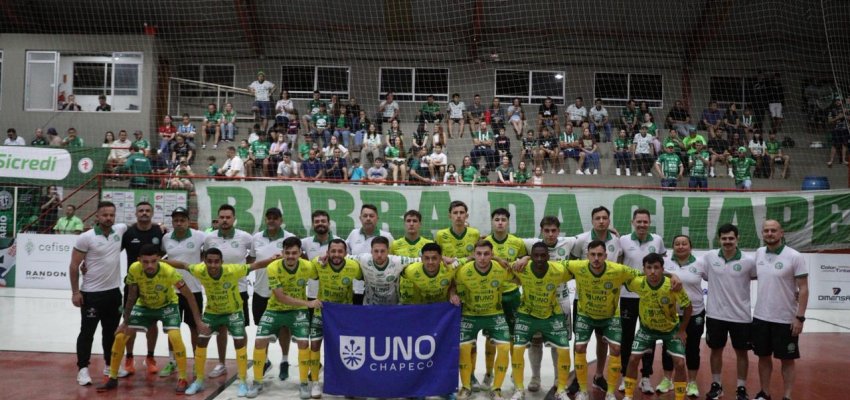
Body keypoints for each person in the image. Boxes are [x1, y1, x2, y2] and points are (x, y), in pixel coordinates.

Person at [96, 244, 207, 393]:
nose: (150, 265)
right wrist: (125, 321)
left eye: (154, 261)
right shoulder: (134, 269)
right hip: (144, 305)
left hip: (168, 305)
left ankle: (182, 378)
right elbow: (131, 296)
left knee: (175, 336)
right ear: (139, 260)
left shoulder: (168, 271)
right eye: (145, 262)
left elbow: (189, 295)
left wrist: (198, 321)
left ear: (159, 260)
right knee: (120, 336)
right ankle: (112, 378)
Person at [563, 240, 642, 400]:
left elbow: (645, 274)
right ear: (587, 256)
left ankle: (611, 393)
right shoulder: (578, 266)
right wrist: (525, 260)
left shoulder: (618, 270)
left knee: (615, 350)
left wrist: (671, 275)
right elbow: (551, 264)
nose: (596, 258)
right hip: (585, 315)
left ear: (606, 256)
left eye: (600, 255)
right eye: (593, 254)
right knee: (579, 348)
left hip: (610, 316)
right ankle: (583, 390)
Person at [248, 237, 322, 398]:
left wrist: (322, 260)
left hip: (297, 311)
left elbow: (321, 273)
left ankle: (303, 384)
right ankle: (257, 382)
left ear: (300, 253)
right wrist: (308, 303)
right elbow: (280, 296)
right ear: (282, 253)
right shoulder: (273, 267)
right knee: (259, 341)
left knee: (303, 343)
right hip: (275, 309)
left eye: (294, 253)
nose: (290, 256)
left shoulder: (308, 266)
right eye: (287, 253)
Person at [68, 201, 128, 386]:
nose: (108, 218)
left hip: (113, 294)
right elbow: (73, 266)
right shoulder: (85, 238)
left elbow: (137, 229)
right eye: (105, 215)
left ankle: (110, 365)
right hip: (91, 294)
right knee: (87, 332)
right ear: (97, 216)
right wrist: (75, 292)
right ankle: (83, 369)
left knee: (111, 333)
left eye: (111, 215)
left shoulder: (120, 230)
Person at [696, 224, 756, 400]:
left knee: (742, 353)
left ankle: (741, 388)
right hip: (715, 315)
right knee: (715, 351)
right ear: (719, 239)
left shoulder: (748, 261)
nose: (727, 241)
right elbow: (699, 273)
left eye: (731, 238)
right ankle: (716, 385)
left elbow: (763, 277)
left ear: (738, 239)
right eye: (724, 238)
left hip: (741, 316)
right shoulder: (709, 257)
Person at [621, 253, 692, 400]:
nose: (653, 271)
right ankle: (628, 396)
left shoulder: (672, 285)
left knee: (679, 363)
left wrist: (682, 330)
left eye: (656, 268)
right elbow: (623, 277)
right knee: (633, 359)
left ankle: (679, 397)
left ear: (662, 269)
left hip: (670, 330)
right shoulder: (638, 282)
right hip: (646, 330)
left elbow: (688, 306)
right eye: (649, 268)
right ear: (644, 269)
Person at [752, 220, 808, 400]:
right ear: (762, 233)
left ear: (781, 233)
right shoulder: (759, 253)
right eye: (766, 230)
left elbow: (804, 288)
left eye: (773, 230)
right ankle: (764, 393)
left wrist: (799, 317)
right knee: (763, 357)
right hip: (761, 316)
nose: (769, 233)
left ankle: (787, 396)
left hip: (785, 319)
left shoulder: (795, 256)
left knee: (787, 360)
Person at [510, 243, 573, 400]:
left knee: (563, 349)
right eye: (535, 256)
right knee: (519, 348)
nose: (539, 259)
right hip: (527, 314)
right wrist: (521, 259)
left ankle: (561, 387)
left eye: (542, 255)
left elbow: (582, 267)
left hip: (552, 313)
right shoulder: (521, 267)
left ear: (548, 256)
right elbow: (499, 265)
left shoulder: (559, 269)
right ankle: (523, 386)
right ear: (531, 257)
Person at [453, 241, 514, 400]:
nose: (482, 258)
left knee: (505, 347)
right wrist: (452, 293)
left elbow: (519, 277)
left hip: (494, 314)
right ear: (473, 254)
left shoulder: (500, 269)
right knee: (463, 347)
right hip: (470, 315)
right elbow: (451, 283)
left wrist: (525, 258)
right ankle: (466, 387)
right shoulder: (464, 271)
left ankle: (496, 388)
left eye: (486, 254)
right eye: (479, 254)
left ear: (492, 255)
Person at [617, 209, 668, 394]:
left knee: (649, 337)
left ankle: (646, 377)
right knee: (627, 337)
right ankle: (625, 376)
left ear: (649, 223)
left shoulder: (657, 240)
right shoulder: (623, 240)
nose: (642, 225)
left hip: (650, 297)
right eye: (639, 221)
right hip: (628, 296)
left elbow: (662, 265)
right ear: (633, 222)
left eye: (645, 222)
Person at [203, 204, 254, 379]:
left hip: (239, 290)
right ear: (217, 219)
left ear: (234, 219)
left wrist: (239, 269)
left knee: (240, 329)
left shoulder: (245, 237)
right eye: (221, 217)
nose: (224, 220)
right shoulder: (209, 238)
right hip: (216, 291)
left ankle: (243, 361)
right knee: (221, 328)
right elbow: (206, 258)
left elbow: (252, 257)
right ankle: (222, 363)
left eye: (228, 217)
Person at [308, 239, 362, 399]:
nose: (336, 254)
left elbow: (358, 291)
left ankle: (347, 384)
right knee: (315, 345)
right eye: (333, 251)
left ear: (346, 253)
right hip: (322, 311)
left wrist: (355, 313)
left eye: (340, 251)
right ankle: (316, 382)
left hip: (343, 314)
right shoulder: (316, 264)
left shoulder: (354, 267)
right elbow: (311, 291)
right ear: (328, 252)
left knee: (344, 349)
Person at [121, 202, 166, 376]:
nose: (144, 213)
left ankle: (150, 357)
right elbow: (110, 253)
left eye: (148, 211)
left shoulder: (159, 231)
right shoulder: (128, 233)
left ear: (153, 213)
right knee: (129, 321)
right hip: (132, 284)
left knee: (152, 323)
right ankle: (129, 358)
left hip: (154, 285)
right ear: (136, 213)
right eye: (141, 210)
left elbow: (166, 254)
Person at [250, 208, 295, 380]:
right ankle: (265, 360)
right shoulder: (256, 238)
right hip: (260, 291)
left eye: (275, 218)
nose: (271, 221)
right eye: (269, 218)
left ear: (281, 220)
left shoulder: (289, 238)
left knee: (284, 328)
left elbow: (296, 259)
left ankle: (284, 361)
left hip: (282, 292)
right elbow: (252, 260)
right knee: (263, 330)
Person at [658, 235, 705, 397]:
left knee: (693, 347)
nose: (680, 246)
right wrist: (672, 275)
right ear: (673, 247)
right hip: (670, 314)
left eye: (684, 243)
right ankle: (667, 379)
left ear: (690, 247)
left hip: (695, 313)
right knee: (667, 348)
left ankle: (691, 382)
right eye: (677, 244)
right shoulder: (666, 263)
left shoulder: (700, 263)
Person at [160, 207, 206, 369]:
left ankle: (196, 361)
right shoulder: (165, 238)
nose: (179, 223)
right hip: (172, 291)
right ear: (172, 222)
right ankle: (172, 361)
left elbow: (208, 254)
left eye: (182, 220)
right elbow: (159, 259)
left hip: (194, 290)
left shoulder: (199, 236)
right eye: (176, 220)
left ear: (188, 221)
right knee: (173, 328)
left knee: (195, 327)